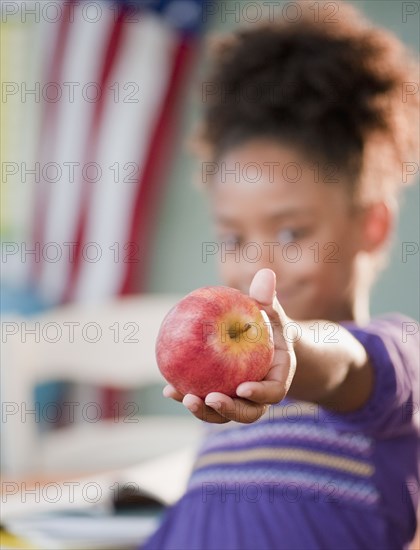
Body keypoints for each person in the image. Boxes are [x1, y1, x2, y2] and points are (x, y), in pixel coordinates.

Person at [142, 2, 419, 548]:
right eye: (234, 238)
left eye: (291, 234)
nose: (258, 265)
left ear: (374, 225)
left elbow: (343, 365)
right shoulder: (231, 405)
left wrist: (293, 348)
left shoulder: (398, 357)